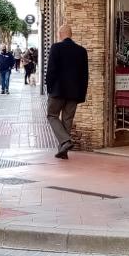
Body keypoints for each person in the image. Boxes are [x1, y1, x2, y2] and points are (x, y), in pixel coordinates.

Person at [46, 24, 88, 159]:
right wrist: (82, 94)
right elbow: (84, 75)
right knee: (67, 119)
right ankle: (63, 151)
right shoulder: (81, 51)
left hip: (57, 90)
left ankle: (65, 141)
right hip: (74, 92)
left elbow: (51, 70)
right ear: (71, 34)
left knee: (52, 115)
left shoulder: (56, 48)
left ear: (60, 34)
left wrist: (49, 87)